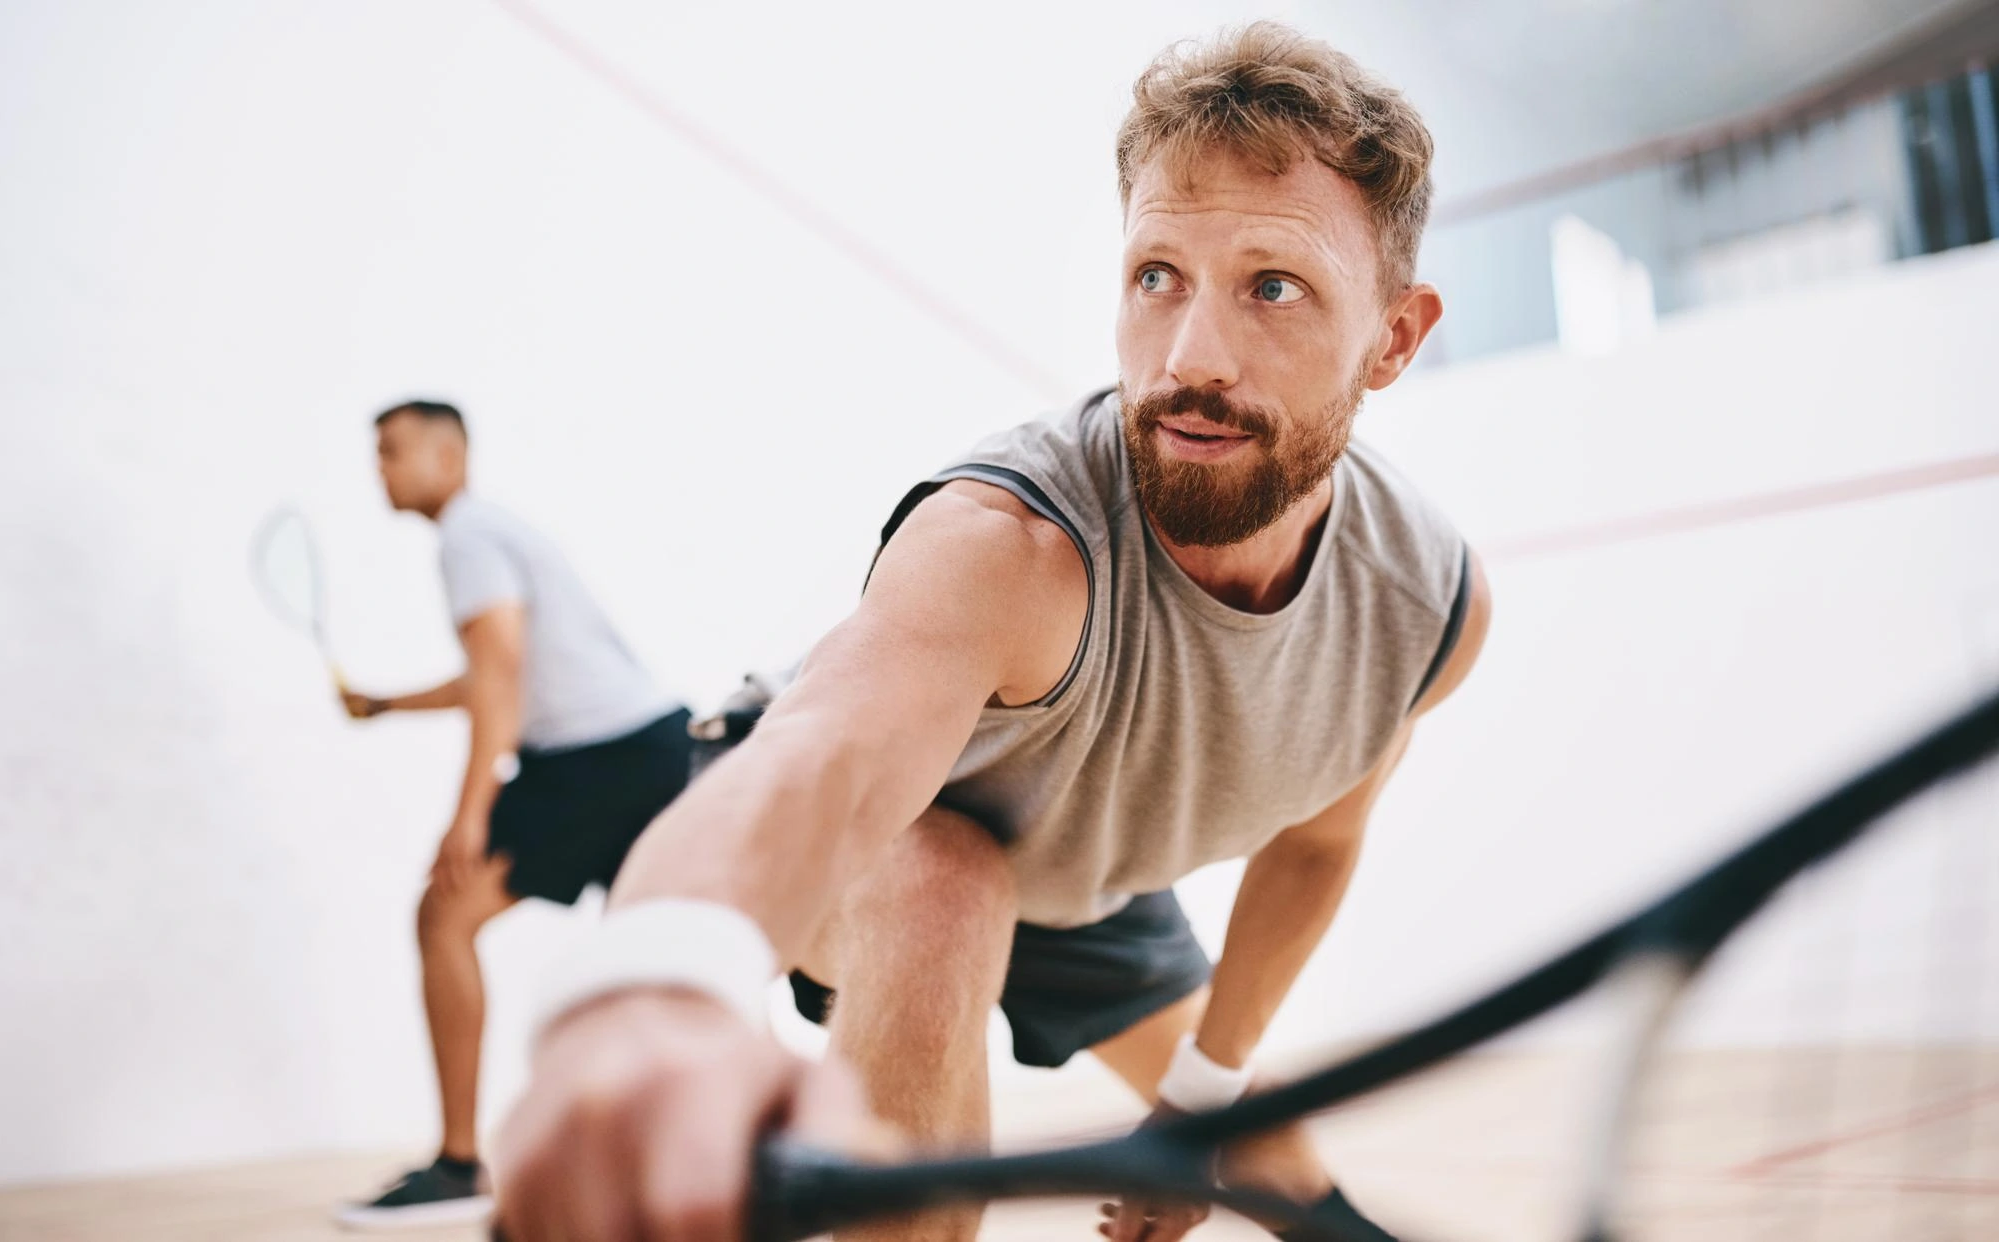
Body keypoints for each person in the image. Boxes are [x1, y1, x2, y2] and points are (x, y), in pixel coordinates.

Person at [496, 23, 1492, 1242]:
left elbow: (1317, 848)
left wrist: (1200, 1096)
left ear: (1392, 336)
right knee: (943, 882)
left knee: (1256, 1151)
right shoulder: (1010, 545)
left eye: (1271, 287)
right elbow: (826, 763)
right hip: (873, 841)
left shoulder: (1422, 607)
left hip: (1072, 877)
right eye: (1155, 276)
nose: (1188, 358)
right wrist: (652, 983)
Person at [336, 400, 694, 1230]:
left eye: (392, 451)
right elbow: (502, 669)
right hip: (655, 749)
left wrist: (469, 814)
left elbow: (498, 674)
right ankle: (721, 1150)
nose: (379, 469)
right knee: (657, 949)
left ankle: (461, 1164)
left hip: (599, 763)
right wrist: (389, 702)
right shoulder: (493, 532)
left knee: (443, 916)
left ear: (447, 455)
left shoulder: (467, 537)